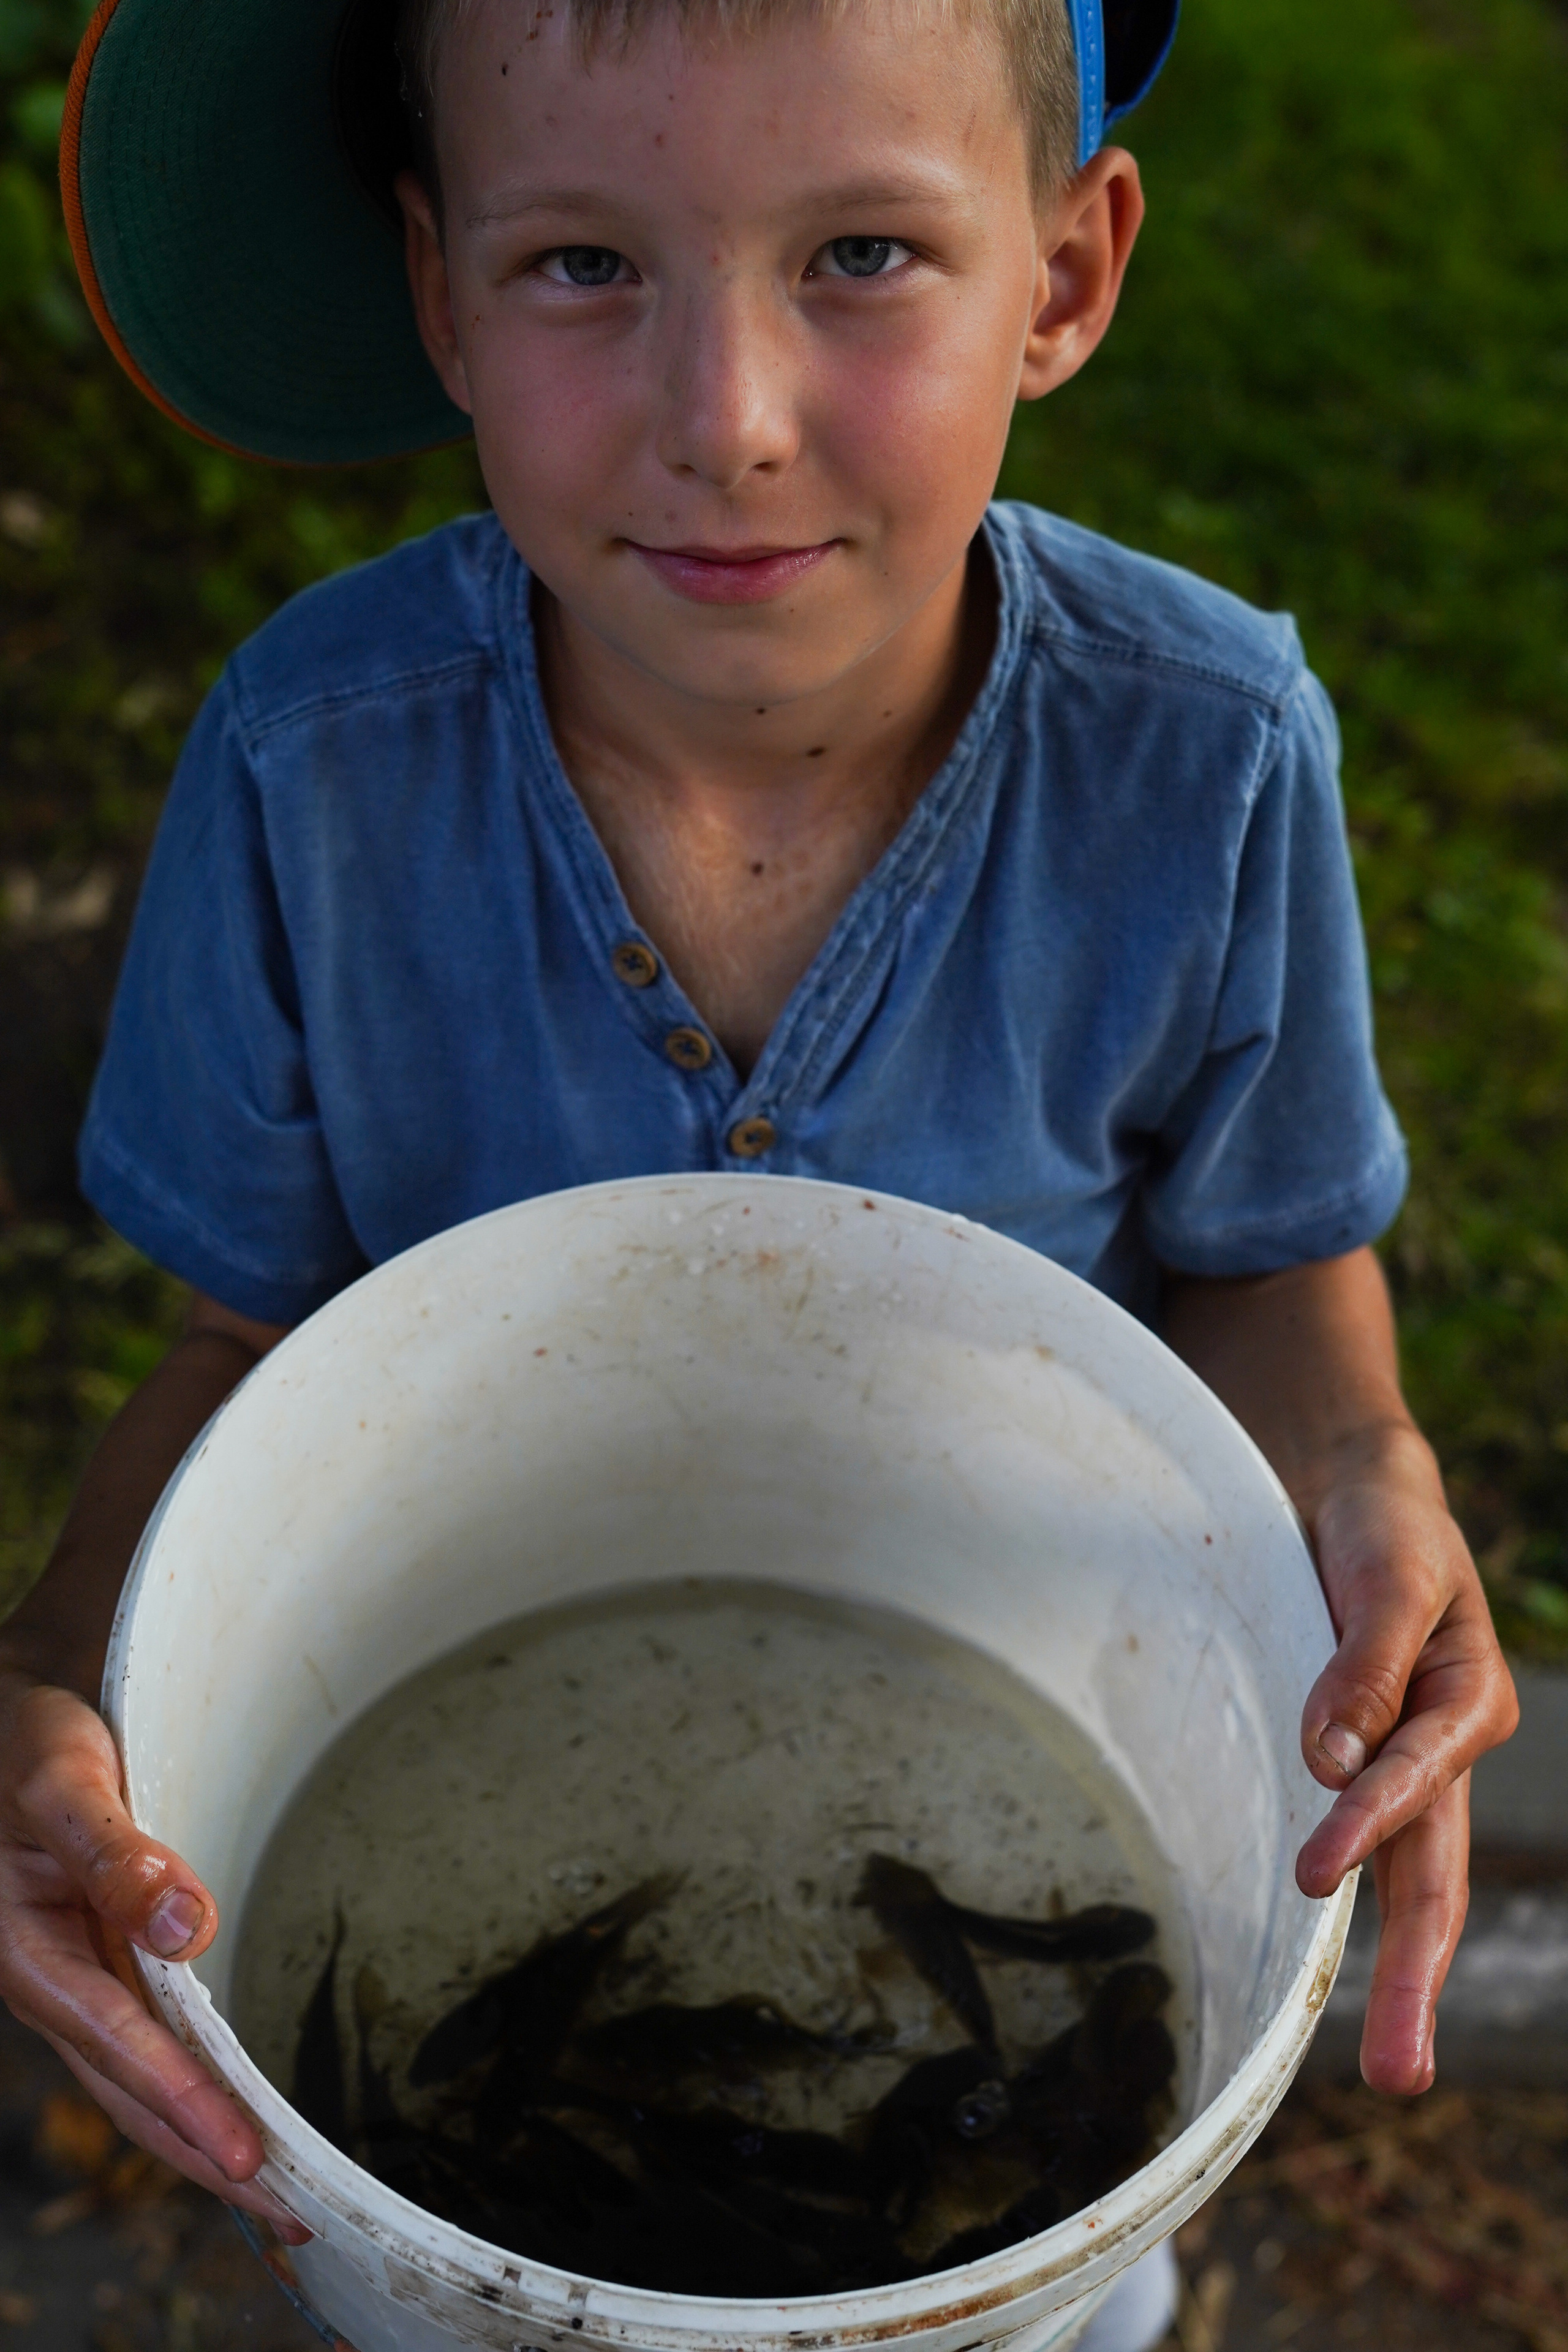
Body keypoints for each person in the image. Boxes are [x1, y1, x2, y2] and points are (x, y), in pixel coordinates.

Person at [12, 0, 1516, 2341]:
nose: (723, 420)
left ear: (1068, 270)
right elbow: (250, 1355)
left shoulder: (1209, 760)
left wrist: (1370, 1470)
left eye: (863, 254)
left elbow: (1275, 1263)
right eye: (586, 267)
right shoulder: (310, 771)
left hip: (1018, 1974)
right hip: (439, 2125)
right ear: (437, 292)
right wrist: (51, 1683)